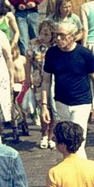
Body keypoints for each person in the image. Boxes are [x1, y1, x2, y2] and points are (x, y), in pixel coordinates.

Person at [42, 21, 94, 159]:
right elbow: (46, 81)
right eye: (56, 35)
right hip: (60, 103)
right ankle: (70, 174)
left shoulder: (84, 54)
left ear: (73, 36)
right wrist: (45, 106)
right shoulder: (52, 53)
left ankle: (83, 174)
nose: (58, 39)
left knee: (77, 142)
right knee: (65, 143)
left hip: (81, 103)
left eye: (62, 35)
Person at [26, 20, 55, 149]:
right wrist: (28, 79)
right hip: (39, 79)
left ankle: (52, 135)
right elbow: (28, 62)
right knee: (42, 107)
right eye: (42, 33)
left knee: (53, 109)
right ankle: (44, 134)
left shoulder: (55, 46)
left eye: (47, 34)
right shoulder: (33, 44)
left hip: (54, 80)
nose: (43, 37)